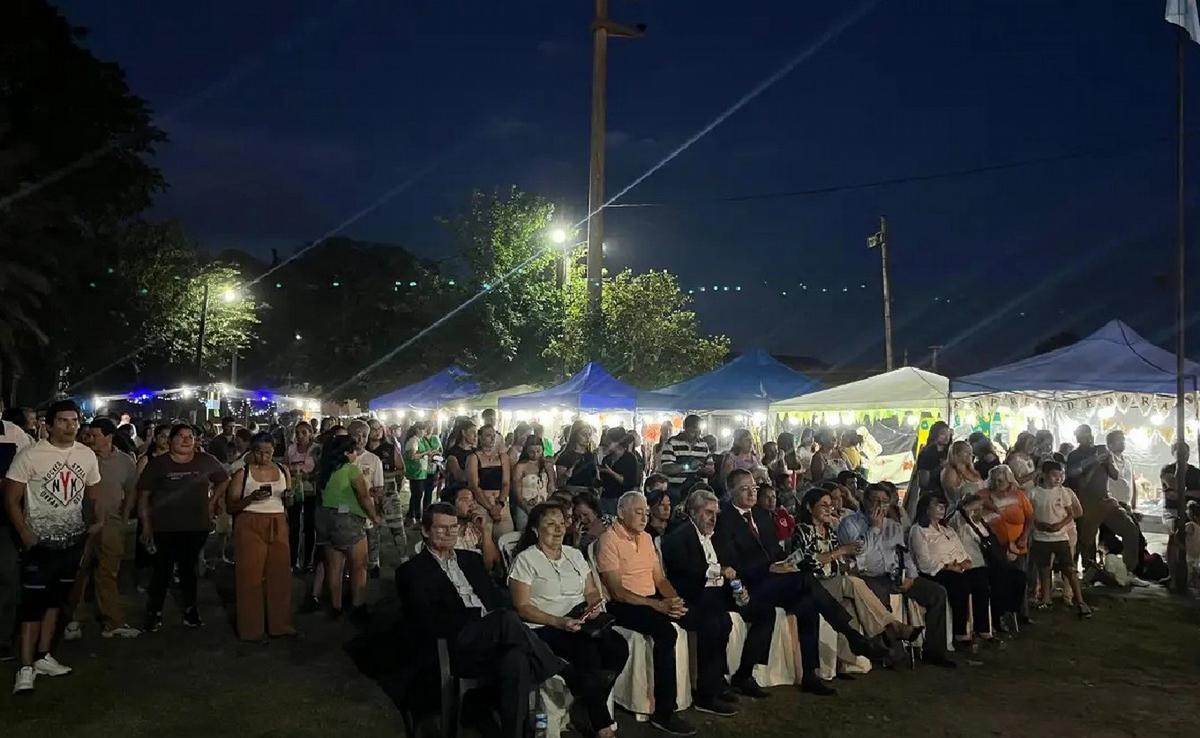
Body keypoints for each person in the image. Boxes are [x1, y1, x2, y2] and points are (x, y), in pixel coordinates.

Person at [395, 502, 564, 738]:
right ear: (425, 531)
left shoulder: (470, 559)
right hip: (458, 643)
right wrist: (483, 619)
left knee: (516, 659)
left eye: (453, 527)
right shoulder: (412, 571)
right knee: (505, 619)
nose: (449, 533)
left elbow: (495, 595)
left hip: (495, 637)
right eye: (441, 528)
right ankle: (556, 670)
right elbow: (425, 620)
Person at [715, 469, 891, 694]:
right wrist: (768, 567)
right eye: (745, 489)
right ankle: (851, 635)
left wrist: (784, 563)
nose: (752, 493)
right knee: (805, 582)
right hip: (747, 585)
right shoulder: (725, 520)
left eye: (754, 488)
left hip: (773, 581)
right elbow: (730, 560)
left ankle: (810, 674)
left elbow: (773, 552)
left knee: (807, 603)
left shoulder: (760, 515)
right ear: (731, 492)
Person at [509, 503, 629, 738]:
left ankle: (591, 697)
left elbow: (592, 591)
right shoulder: (526, 560)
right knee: (588, 652)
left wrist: (593, 606)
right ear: (535, 530)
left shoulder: (573, 554)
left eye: (561, 523)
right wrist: (558, 622)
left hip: (579, 619)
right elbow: (522, 607)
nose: (558, 529)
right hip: (545, 625)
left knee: (618, 646)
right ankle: (602, 724)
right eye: (550, 524)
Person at [5, 401, 101, 693]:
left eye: (75, 420)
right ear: (49, 424)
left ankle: (43, 656)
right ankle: (24, 666)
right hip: (39, 544)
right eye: (63, 421)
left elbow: (92, 493)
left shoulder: (86, 455)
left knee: (55, 601)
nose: (71, 426)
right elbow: (10, 499)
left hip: (71, 541)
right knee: (32, 606)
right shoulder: (30, 455)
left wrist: (94, 521)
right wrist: (24, 532)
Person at [661, 488, 775, 712]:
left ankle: (741, 675)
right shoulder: (680, 535)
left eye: (715, 513)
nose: (713, 518)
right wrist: (719, 571)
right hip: (692, 596)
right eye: (707, 512)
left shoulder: (715, 537)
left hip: (718, 594)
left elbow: (733, 566)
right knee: (718, 623)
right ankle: (707, 692)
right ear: (693, 512)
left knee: (764, 611)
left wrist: (739, 588)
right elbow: (686, 571)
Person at [594, 492, 698, 735]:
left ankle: (705, 688)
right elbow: (618, 592)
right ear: (621, 513)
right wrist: (658, 606)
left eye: (646, 513)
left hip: (651, 599)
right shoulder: (609, 540)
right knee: (666, 634)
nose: (644, 517)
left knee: (697, 617)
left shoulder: (647, 538)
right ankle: (664, 711)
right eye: (638, 512)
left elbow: (659, 579)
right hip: (624, 605)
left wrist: (673, 599)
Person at [792, 487, 921, 668]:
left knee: (849, 606)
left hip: (836, 580)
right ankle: (893, 627)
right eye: (824, 505)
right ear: (808, 507)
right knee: (856, 582)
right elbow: (809, 563)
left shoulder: (829, 531)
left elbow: (845, 559)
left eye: (831, 505)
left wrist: (844, 559)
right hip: (813, 584)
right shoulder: (802, 531)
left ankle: (846, 662)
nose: (830, 509)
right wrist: (843, 551)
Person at [837, 485, 955, 668]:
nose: (880, 505)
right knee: (878, 596)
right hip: (868, 575)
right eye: (876, 501)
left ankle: (935, 651)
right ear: (865, 502)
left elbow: (904, 553)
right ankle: (893, 654)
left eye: (884, 502)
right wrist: (874, 529)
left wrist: (911, 576)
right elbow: (859, 556)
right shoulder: (850, 524)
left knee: (937, 593)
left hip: (896, 575)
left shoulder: (893, 526)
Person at [138, 424, 230, 632]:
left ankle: (190, 610)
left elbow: (223, 479)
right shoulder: (158, 464)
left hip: (196, 526)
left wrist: (212, 501)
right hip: (164, 527)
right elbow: (143, 496)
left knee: (189, 569)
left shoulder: (205, 460)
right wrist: (146, 526)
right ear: (170, 440)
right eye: (181, 436)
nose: (186, 440)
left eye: (191, 436)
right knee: (162, 571)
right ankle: (155, 613)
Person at [64, 418, 140, 641]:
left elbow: (131, 491)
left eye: (95, 435)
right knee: (79, 573)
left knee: (108, 572)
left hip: (112, 523)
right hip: (82, 523)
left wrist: (124, 518)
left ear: (109, 437)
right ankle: (74, 619)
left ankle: (112, 621)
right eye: (88, 435)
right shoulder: (79, 456)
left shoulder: (125, 461)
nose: (90, 439)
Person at [226, 432, 297, 641]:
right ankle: (251, 628)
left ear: (274, 451)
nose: (264, 457)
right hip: (250, 523)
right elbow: (231, 506)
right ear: (252, 451)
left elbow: (289, 502)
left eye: (268, 452)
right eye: (259, 452)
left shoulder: (283, 470)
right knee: (250, 575)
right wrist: (251, 498)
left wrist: (289, 497)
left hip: (277, 522)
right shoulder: (243, 473)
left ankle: (280, 624)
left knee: (280, 574)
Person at [909, 493, 993, 651]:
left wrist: (965, 561)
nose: (942, 510)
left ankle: (982, 628)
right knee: (960, 584)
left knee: (981, 578)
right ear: (927, 509)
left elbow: (960, 549)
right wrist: (947, 566)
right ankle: (960, 632)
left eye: (943, 507)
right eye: (938, 506)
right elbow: (924, 561)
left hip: (956, 567)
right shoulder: (919, 531)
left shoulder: (947, 529)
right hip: (936, 571)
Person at [315, 434, 383, 622]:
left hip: (324, 518)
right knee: (359, 565)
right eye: (352, 451)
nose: (355, 454)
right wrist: (374, 516)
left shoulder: (324, 470)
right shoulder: (351, 470)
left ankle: (335, 606)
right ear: (346, 453)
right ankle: (358, 606)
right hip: (347, 520)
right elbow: (364, 497)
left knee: (334, 566)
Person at [1066, 425, 1139, 572]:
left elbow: (1115, 474)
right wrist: (1095, 461)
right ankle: (1090, 570)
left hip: (1105, 497)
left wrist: (1108, 461)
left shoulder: (1101, 449)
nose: (1087, 438)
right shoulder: (1074, 455)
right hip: (1086, 500)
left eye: (1088, 434)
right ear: (1078, 437)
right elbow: (1076, 477)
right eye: (1082, 435)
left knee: (1131, 529)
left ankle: (1128, 569)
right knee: (1087, 540)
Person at [953, 492, 1027, 637]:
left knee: (1018, 577)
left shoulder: (982, 523)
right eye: (975, 508)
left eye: (980, 507)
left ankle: (1006, 610)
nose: (978, 511)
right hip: (974, 564)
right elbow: (957, 519)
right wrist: (965, 510)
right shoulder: (960, 523)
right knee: (995, 580)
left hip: (990, 562)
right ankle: (995, 617)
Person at [1031, 460, 1091, 616]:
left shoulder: (1063, 492)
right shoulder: (1034, 493)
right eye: (1054, 475)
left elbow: (1071, 513)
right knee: (1044, 569)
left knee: (1069, 569)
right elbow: (1030, 514)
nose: (1057, 479)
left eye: (1060, 475)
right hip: (1041, 537)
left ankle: (1080, 601)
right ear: (1044, 475)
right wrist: (1039, 524)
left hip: (1060, 536)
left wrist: (1059, 525)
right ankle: (1046, 599)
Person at [0, 406, 33, 662]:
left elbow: (28, 475)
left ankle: (3, 639)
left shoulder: (14, 434)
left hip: (4, 521)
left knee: (8, 578)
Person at [983, 464, 1035, 624]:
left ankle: (1022, 613)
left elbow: (1030, 517)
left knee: (1019, 576)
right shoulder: (985, 495)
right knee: (1000, 580)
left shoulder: (1019, 496)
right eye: (996, 478)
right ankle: (1001, 614)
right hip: (994, 546)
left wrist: (1024, 537)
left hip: (1018, 543)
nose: (999, 481)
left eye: (1002, 478)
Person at [349, 420, 387, 579]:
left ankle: (373, 563)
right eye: (356, 436)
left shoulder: (373, 460)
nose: (361, 439)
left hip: (367, 507)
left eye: (364, 435)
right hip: (349, 508)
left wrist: (377, 505)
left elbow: (378, 487)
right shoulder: (343, 458)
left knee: (371, 536)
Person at [1161, 441, 1200, 582]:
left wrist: (1185, 492)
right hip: (1172, 511)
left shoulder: (1196, 473)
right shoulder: (1167, 470)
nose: (1184, 455)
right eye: (1180, 452)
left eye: (1186, 452)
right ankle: (1172, 575)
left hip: (1191, 510)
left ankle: (1192, 572)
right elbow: (1173, 493)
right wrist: (1180, 469)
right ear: (1174, 454)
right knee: (1175, 531)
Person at [467, 425, 513, 540]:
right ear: (481, 438)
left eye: (494, 436)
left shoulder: (503, 457)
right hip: (482, 502)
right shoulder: (474, 458)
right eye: (488, 436)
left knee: (505, 537)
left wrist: (500, 504)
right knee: (483, 538)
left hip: (500, 502)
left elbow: (506, 483)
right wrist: (490, 507)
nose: (492, 439)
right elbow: (474, 486)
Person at [442, 486, 500, 571]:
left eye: (472, 500)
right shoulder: (443, 533)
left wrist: (484, 531)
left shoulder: (476, 529)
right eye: (465, 500)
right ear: (451, 505)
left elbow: (491, 564)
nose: (471, 504)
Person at [286, 420, 318, 570]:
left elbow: (319, 471)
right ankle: (293, 561)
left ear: (310, 434)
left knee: (309, 526)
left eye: (304, 433)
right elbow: (286, 467)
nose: (300, 436)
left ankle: (308, 561)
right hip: (295, 491)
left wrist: (309, 477)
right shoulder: (291, 449)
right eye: (298, 433)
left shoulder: (316, 450)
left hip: (311, 492)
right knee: (294, 526)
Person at [659, 415, 712, 503]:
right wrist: (687, 466)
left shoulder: (703, 445)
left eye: (699, 432)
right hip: (677, 491)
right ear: (685, 428)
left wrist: (705, 470)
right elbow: (667, 468)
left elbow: (710, 468)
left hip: (698, 492)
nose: (696, 435)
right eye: (693, 432)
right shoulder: (671, 443)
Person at [511, 434, 554, 533]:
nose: (535, 454)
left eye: (538, 451)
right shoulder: (521, 466)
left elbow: (551, 486)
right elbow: (516, 488)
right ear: (526, 451)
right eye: (531, 452)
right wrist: (524, 504)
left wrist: (547, 504)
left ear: (543, 450)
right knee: (524, 533)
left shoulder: (547, 465)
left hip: (543, 504)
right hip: (524, 504)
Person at [403, 421, 438, 525]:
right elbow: (413, 456)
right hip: (415, 473)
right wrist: (426, 453)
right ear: (418, 429)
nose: (425, 432)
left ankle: (413, 516)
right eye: (423, 429)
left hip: (421, 472)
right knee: (417, 495)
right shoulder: (413, 440)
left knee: (418, 495)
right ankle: (414, 518)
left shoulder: (420, 440)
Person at [599, 429, 640, 516]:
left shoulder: (630, 458)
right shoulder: (607, 458)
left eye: (610, 441)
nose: (607, 443)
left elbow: (629, 482)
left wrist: (611, 473)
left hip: (621, 499)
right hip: (605, 498)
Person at [554, 421, 599, 493]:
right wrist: (566, 476)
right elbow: (559, 484)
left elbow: (595, 477)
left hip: (588, 495)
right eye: (584, 435)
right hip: (571, 494)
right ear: (575, 435)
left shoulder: (591, 455)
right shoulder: (565, 456)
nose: (588, 437)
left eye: (589, 435)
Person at [940, 440, 984, 510]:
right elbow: (954, 497)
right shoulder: (951, 471)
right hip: (961, 513)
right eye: (966, 452)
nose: (970, 454)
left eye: (970, 452)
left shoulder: (972, 470)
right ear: (956, 453)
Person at [914, 420, 952, 497]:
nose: (947, 437)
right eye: (943, 434)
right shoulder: (926, 453)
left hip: (946, 494)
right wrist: (941, 467)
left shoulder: (949, 452)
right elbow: (923, 482)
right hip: (931, 495)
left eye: (949, 434)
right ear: (935, 434)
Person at [756, 482, 796, 552]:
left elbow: (793, 530)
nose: (771, 501)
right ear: (757, 500)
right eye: (766, 497)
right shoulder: (755, 520)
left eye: (773, 497)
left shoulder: (782, 513)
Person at [443, 420, 476, 497]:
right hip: (456, 494)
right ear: (464, 433)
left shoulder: (475, 452)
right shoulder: (453, 453)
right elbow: (460, 477)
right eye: (472, 432)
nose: (475, 435)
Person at [1105, 430, 1135, 508]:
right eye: (1119, 439)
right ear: (1110, 445)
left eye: (1123, 439)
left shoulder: (1128, 460)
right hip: (1113, 506)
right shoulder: (1106, 460)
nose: (1122, 442)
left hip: (1127, 505)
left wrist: (1134, 506)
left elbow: (1133, 483)